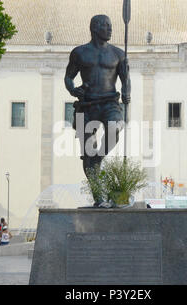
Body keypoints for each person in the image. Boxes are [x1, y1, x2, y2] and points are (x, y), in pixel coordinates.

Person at [64, 15, 131, 208]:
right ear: (94, 28)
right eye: (106, 26)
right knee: (88, 152)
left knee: (115, 127)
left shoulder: (119, 54)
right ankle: (98, 197)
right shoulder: (79, 53)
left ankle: (98, 157)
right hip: (87, 105)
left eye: (111, 26)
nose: (110, 29)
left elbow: (126, 79)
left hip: (110, 102)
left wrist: (127, 91)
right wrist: (72, 89)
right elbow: (68, 77)